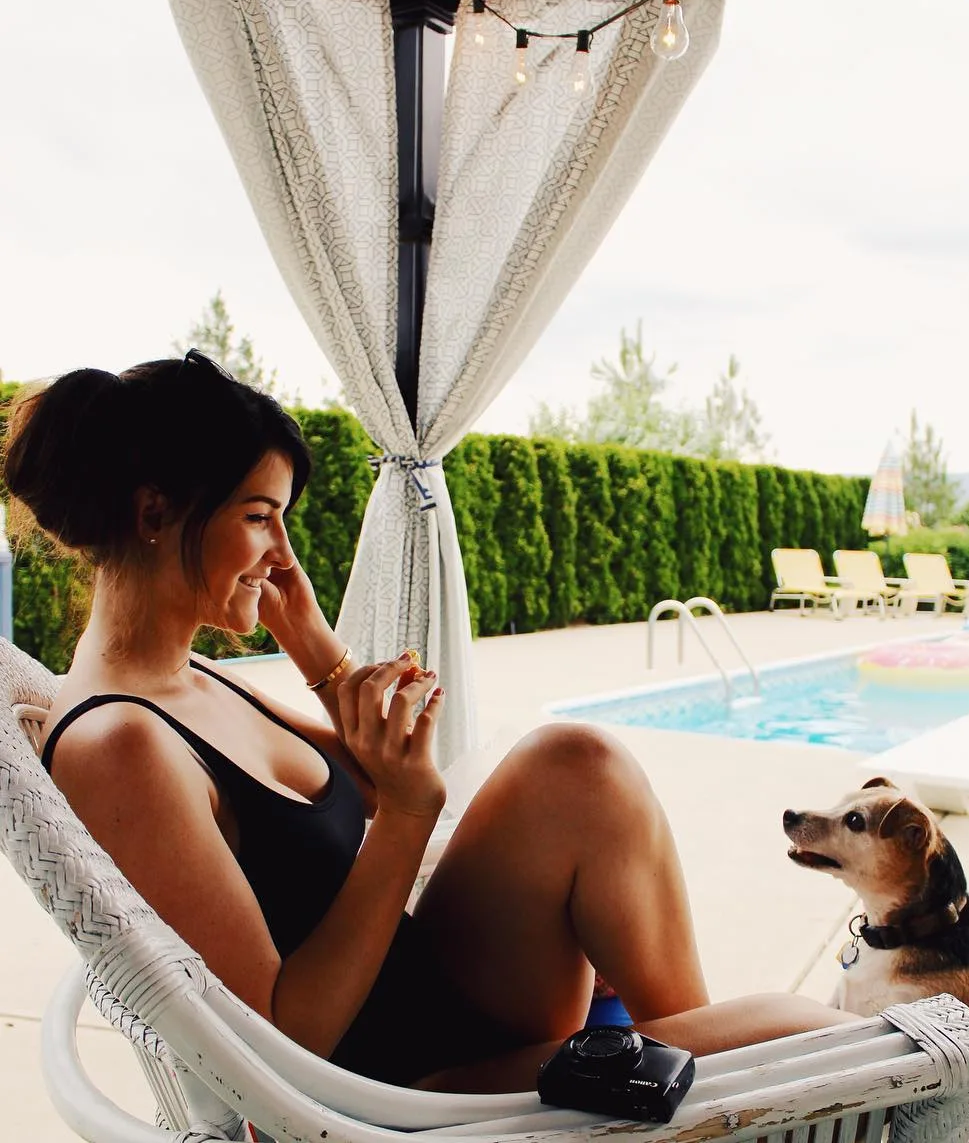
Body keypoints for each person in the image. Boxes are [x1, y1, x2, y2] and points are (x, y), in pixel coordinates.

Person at [2, 350, 859, 1094]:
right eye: (260, 517)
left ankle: (691, 1082)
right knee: (803, 1030)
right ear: (156, 514)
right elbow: (282, 1044)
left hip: (432, 993)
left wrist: (313, 643)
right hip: (401, 1089)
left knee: (576, 762)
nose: (283, 554)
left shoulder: (189, 678)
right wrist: (412, 811)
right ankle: (702, 1090)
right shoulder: (121, 744)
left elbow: (374, 784)